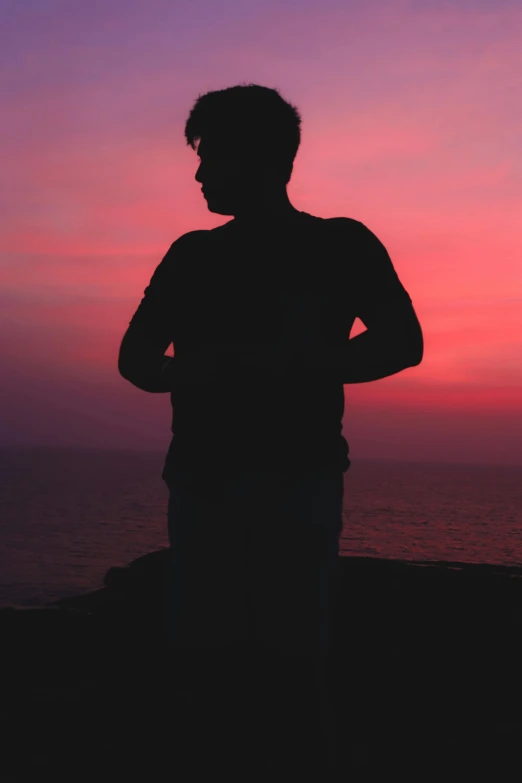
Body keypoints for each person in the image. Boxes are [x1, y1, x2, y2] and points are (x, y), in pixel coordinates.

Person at [118, 83, 424, 780]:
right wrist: (210, 369)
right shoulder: (191, 253)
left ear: (264, 159)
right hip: (212, 488)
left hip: (292, 488)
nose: (198, 175)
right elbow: (135, 361)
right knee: (224, 667)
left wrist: (294, 362)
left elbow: (404, 342)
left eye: (211, 156)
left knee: (285, 670)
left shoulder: (339, 243)